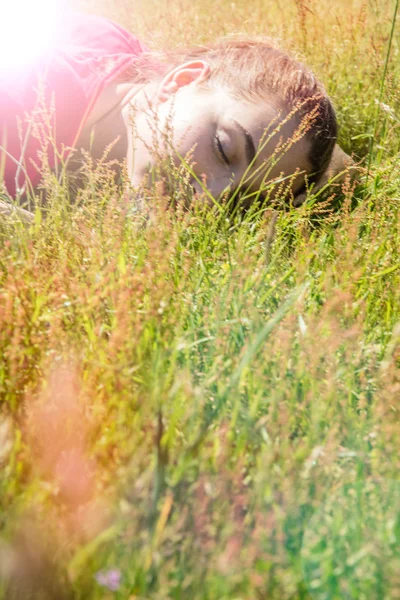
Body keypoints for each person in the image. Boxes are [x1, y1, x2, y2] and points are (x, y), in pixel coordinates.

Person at [0, 11, 352, 215]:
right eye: (221, 148)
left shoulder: (151, 81)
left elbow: (339, 163)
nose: (211, 195)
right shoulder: (19, 110)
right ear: (181, 80)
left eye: (242, 197)